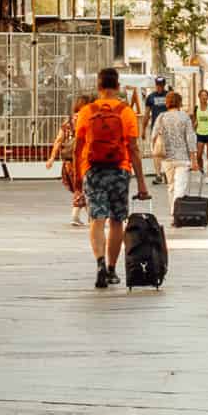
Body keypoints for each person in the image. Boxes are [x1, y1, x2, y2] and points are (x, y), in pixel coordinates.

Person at [74, 67, 150, 289]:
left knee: (97, 219)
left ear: (98, 87)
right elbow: (134, 149)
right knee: (117, 221)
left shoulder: (87, 111)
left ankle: (98, 263)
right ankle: (111, 268)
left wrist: (79, 178)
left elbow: (78, 147)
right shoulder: (125, 112)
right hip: (119, 170)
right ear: (117, 86)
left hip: (93, 170)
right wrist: (142, 183)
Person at [151, 89, 198, 209]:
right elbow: (190, 138)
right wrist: (194, 159)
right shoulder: (184, 117)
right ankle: (177, 214)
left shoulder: (161, 117)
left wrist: (155, 149)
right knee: (180, 187)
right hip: (183, 158)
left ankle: (174, 214)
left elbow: (153, 136)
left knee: (171, 186)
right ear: (180, 103)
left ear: (167, 103)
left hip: (167, 158)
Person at [46, 96, 88, 226]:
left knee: (80, 188)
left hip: (68, 161)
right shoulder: (87, 118)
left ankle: (88, 215)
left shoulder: (68, 122)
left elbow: (59, 140)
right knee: (84, 188)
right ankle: (77, 215)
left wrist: (52, 158)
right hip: (82, 160)